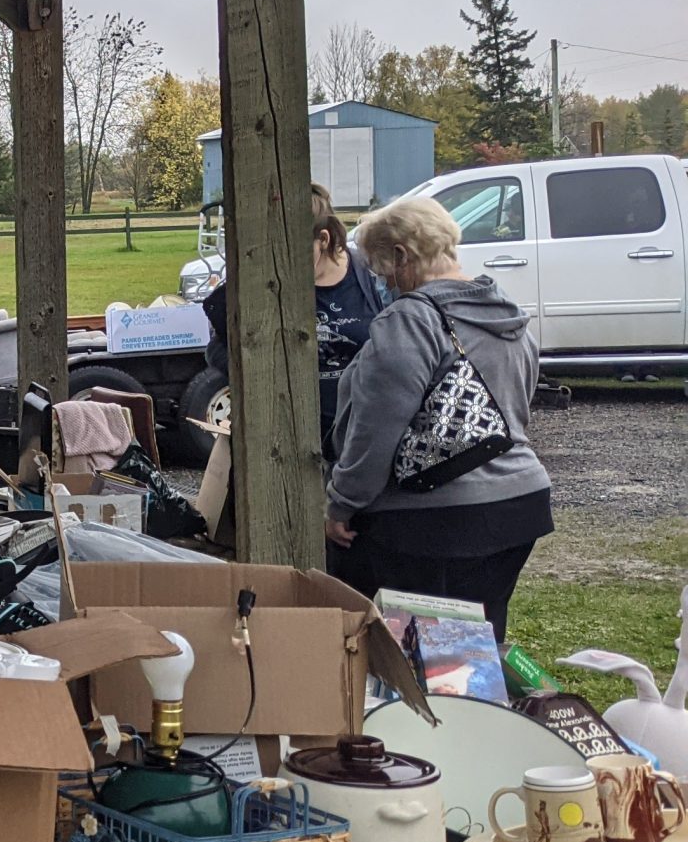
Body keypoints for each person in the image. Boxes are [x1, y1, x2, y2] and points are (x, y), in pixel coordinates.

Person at [325, 196, 552, 640]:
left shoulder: (411, 320)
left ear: (401, 256)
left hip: (430, 522)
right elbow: (515, 412)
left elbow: (376, 431)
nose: (384, 283)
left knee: (413, 651)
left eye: (380, 271)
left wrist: (342, 503)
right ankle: (479, 708)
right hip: (518, 506)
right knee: (478, 650)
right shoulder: (507, 316)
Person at [200, 184, 388, 450]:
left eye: (292, 251)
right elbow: (217, 350)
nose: (282, 261)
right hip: (291, 441)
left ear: (323, 239)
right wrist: (263, 375)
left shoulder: (370, 277)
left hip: (360, 436)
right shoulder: (265, 283)